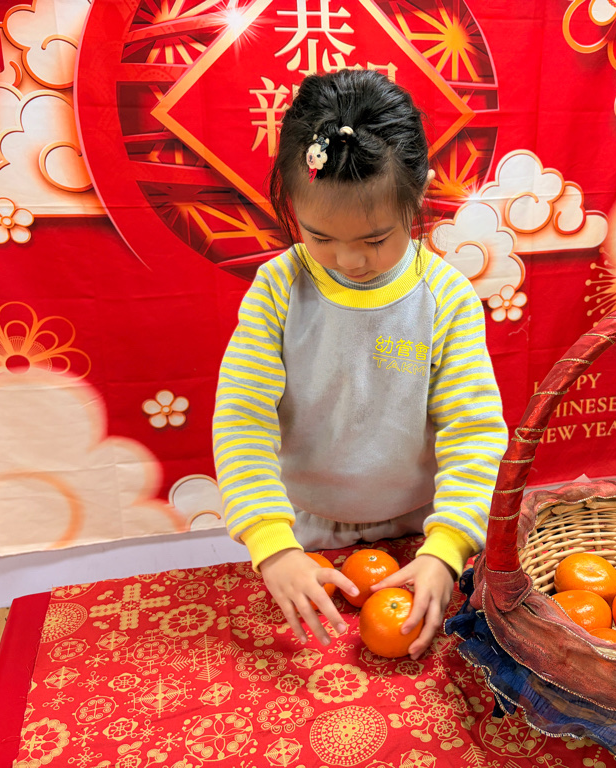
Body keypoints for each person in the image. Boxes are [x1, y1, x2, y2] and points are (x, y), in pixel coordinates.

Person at [213, 69, 507, 660]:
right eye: (320, 237)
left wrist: (448, 548)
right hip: (305, 534)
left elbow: (472, 431)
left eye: (374, 240)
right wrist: (273, 545)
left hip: (422, 533)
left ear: (417, 196)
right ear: (291, 203)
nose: (349, 260)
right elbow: (244, 421)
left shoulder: (445, 297)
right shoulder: (277, 288)